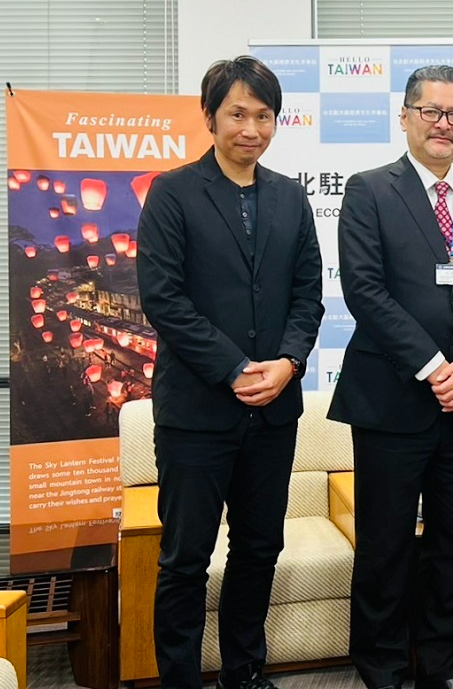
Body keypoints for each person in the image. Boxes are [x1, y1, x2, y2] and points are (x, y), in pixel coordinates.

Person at [330, 65, 453, 689]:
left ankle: (441, 663)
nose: (444, 125)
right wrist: (438, 367)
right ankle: (382, 666)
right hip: (391, 398)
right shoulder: (368, 190)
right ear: (406, 116)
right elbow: (365, 290)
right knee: (384, 545)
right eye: (432, 112)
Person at [137, 56, 324, 689]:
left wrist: (289, 362)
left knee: (257, 549)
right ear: (210, 117)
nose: (252, 128)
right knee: (186, 559)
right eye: (237, 114)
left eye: (264, 115)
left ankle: (245, 672)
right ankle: (182, 680)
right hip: (196, 411)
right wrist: (236, 366)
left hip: (273, 410)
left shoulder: (290, 196)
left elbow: (308, 294)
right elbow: (162, 298)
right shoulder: (172, 192)